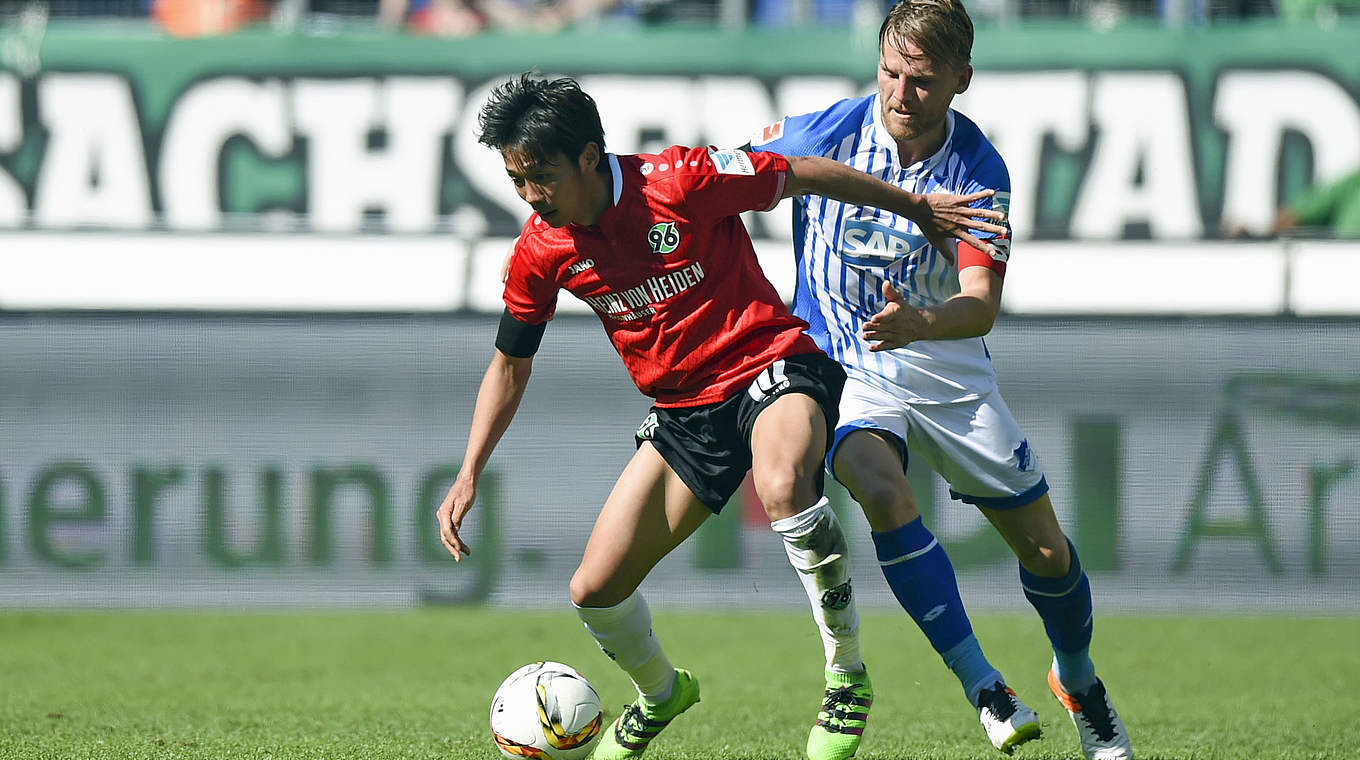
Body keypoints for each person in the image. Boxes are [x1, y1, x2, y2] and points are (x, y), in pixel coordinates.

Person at [435, 73, 1005, 760]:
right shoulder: (541, 248)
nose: (530, 196)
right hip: (683, 413)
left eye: (541, 177)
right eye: (517, 180)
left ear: (590, 156)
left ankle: (846, 675)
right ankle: (660, 693)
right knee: (594, 591)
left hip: (771, 366)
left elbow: (801, 173)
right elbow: (510, 364)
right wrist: (469, 471)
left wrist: (914, 207)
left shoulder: (681, 179)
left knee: (785, 484)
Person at [745, 1, 1133, 759]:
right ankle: (983, 683)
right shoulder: (826, 131)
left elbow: (981, 303)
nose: (899, 93)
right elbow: (714, 179)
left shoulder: (979, 170)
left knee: (1046, 552)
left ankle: (1079, 681)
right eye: (890, 71)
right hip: (844, 359)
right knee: (880, 487)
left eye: (920, 80)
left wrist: (925, 323)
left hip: (944, 363)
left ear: (960, 78)